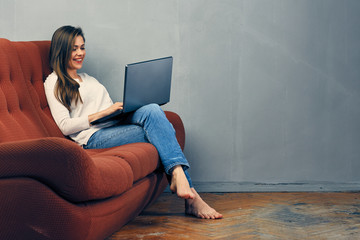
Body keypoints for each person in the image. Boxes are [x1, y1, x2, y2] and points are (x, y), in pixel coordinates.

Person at [44, 25, 222, 219]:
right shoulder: (54, 81)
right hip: (93, 137)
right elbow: (64, 125)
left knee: (152, 109)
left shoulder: (89, 79)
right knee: (161, 130)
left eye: (82, 47)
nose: (80, 53)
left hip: (113, 123)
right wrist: (104, 113)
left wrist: (119, 110)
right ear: (62, 50)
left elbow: (106, 109)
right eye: (74, 48)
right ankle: (189, 192)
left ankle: (179, 177)